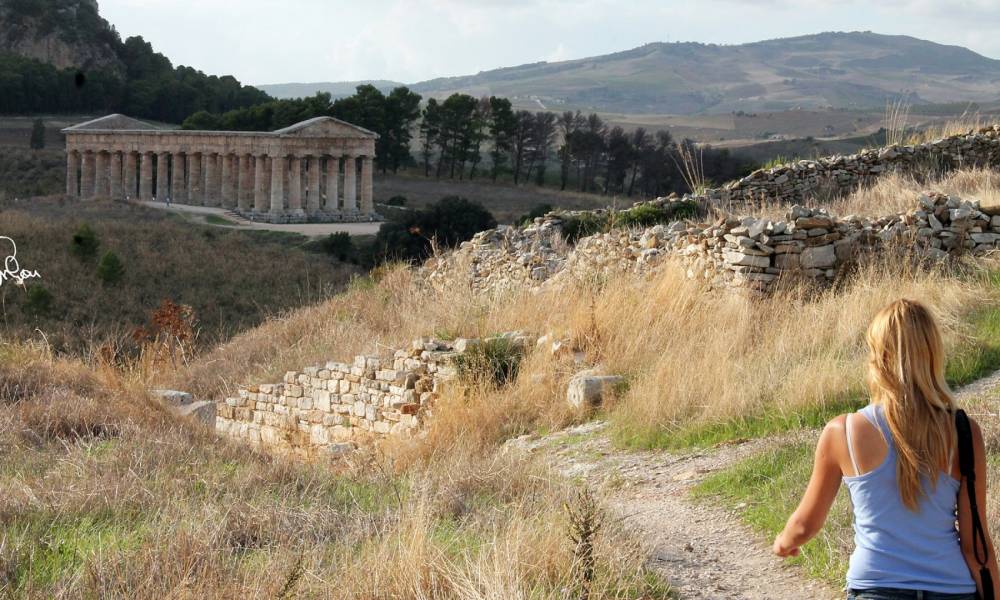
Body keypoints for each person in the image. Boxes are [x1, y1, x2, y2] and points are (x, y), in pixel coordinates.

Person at [773, 299, 999, 600]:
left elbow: (805, 525)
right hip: (952, 590)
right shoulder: (963, 432)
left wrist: (784, 541)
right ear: (933, 354)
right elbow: (976, 545)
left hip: (876, 589)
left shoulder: (844, 432)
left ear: (879, 357)